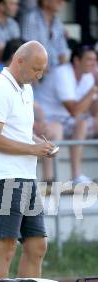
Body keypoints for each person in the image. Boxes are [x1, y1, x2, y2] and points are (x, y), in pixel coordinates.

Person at [0, 40, 56, 280]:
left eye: (42, 70)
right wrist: (33, 150)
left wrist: (39, 145)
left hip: (24, 177)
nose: (39, 75)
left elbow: (18, 133)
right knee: (6, 247)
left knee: (37, 245)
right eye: (36, 69)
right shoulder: (0, 88)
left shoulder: (25, 88)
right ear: (19, 60)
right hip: (2, 178)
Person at [34, 44, 98, 184]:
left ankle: (76, 176)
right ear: (76, 60)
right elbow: (74, 110)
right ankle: (49, 180)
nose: (94, 64)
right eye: (89, 59)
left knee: (83, 123)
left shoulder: (88, 77)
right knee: (57, 129)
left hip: (64, 119)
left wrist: (96, 88)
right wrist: (94, 89)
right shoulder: (62, 73)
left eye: (95, 60)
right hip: (41, 119)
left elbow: (93, 112)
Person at [21, 0, 68, 69]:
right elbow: (29, 51)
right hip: (35, 73)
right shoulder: (31, 18)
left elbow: (63, 53)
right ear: (45, 1)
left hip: (55, 71)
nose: (61, 1)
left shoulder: (58, 22)